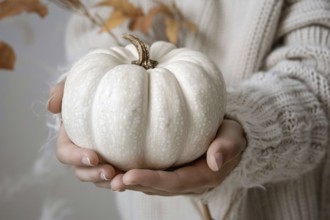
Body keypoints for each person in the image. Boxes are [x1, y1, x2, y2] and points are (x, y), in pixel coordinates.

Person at [48, 0, 330, 219]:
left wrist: (249, 126)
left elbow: (318, 77)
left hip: (277, 206)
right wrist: (79, 97)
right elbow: (94, 32)